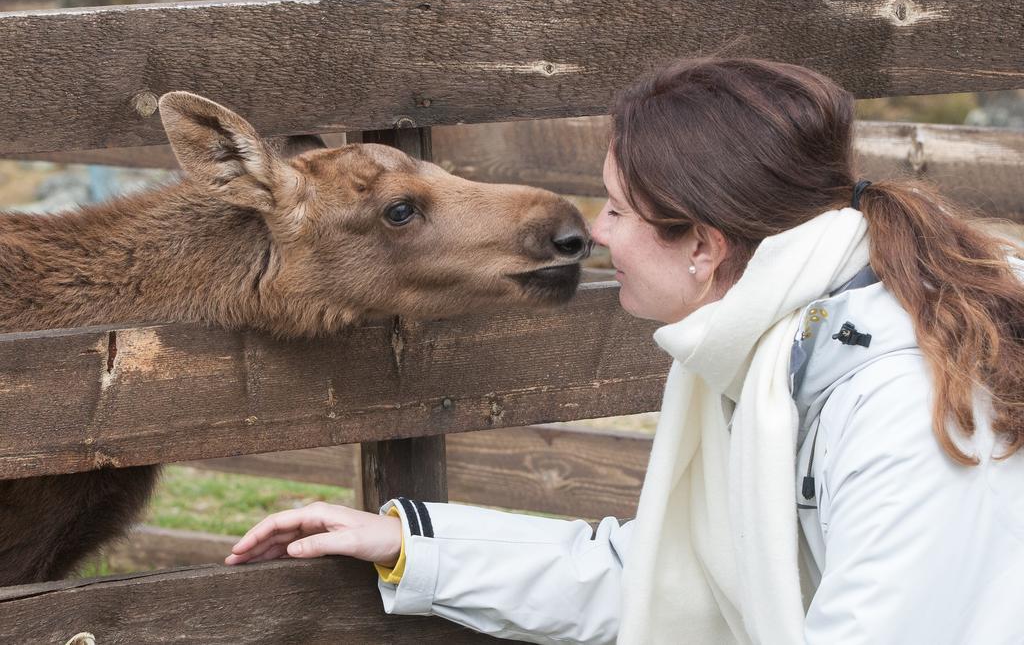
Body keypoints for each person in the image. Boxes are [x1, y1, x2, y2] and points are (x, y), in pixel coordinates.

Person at [225, 58, 1024, 644]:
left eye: (616, 208)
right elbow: (659, 575)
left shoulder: (908, 403)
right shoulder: (786, 342)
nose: (595, 232)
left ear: (703, 248)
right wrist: (410, 546)